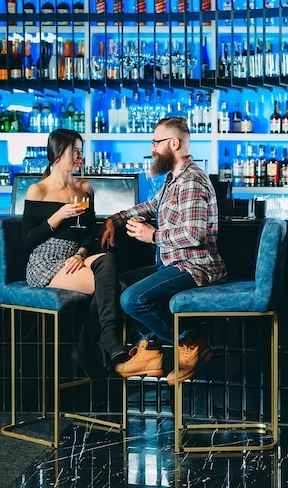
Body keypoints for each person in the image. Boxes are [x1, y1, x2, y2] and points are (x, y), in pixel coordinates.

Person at [101, 116, 227, 385]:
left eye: (156, 142)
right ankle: (151, 350)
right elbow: (151, 206)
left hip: (195, 266)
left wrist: (153, 235)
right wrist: (116, 218)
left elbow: (195, 234)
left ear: (174, 143)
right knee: (117, 284)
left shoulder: (192, 181)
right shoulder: (173, 178)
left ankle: (190, 344)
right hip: (173, 264)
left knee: (133, 299)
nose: (152, 148)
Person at [22, 128, 127, 379]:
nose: (81, 156)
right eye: (75, 151)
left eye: (82, 150)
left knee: (107, 260)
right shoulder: (38, 190)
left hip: (74, 257)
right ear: (58, 153)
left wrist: (80, 253)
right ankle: (101, 345)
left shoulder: (85, 188)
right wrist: (57, 217)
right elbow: (27, 240)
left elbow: (90, 234)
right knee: (116, 288)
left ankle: (93, 345)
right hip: (46, 261)